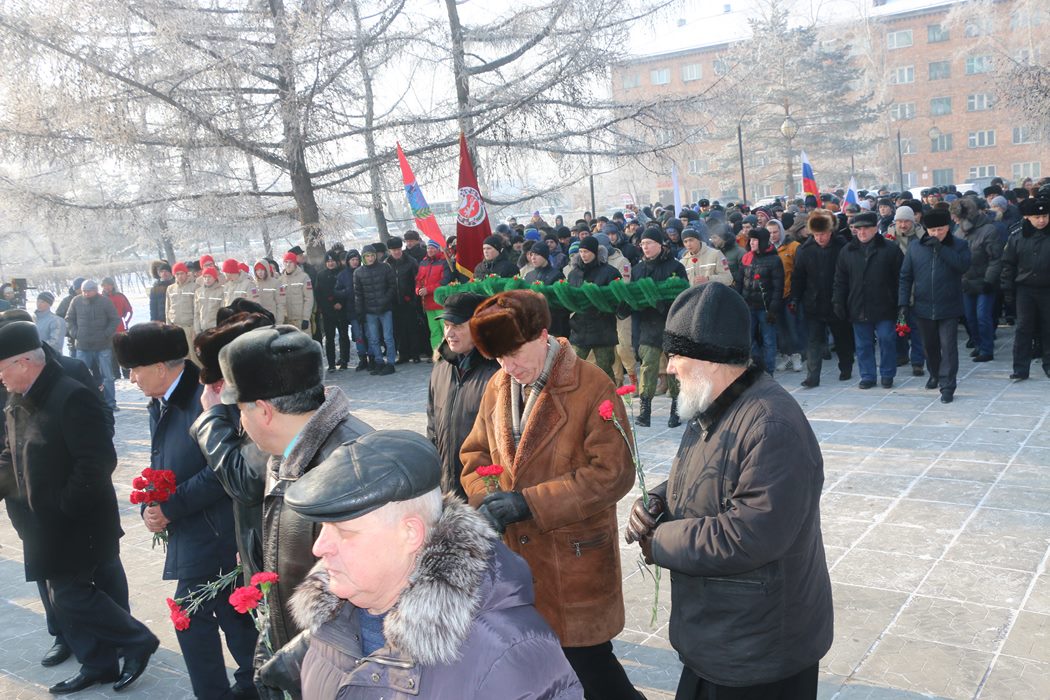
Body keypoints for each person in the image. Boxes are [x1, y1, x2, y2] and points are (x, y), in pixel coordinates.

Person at [255, 430, 583, 699]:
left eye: (344, 532)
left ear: (410, 533)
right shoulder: (332, 612)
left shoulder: (507, 655)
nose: (319, 547)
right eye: (324, 528)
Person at [624, 282, 833, 700]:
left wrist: (659, 540)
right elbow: (710, 477)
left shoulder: (771, 425)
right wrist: (660, 500)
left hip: (759, 649)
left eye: (676, 356)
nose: (669, 368)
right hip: (722, 635)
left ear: (709, 359)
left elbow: (749, 534)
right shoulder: (715, 405)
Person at [459, 290, 642, 700]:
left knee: (594, 671)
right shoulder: (498, 386)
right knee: (538, 674)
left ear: (543, 335)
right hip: (516, 565)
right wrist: (487, 501)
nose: (508, 366)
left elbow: (613, 473)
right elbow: (474, 455)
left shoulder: (591, 385)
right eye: (498, 357)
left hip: (574, 562)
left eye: (514, 353)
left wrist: (531, 503)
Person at [0, 321, 159, 694]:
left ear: (23, 363)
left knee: (70, 595)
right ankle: (98, 665)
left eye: (2, 368)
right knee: (63, 596)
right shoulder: (18, 398)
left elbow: (97, 461)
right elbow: (11, 454)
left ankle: (137, 640)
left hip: (76, 520)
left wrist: (64, 507)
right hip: (41, 520)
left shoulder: (70, 395)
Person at [216, 325, 373, 677]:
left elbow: (364, 604)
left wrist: (295, 665)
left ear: (263, 411)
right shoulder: (286, 455)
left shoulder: (349, 469)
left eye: (240, 410)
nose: (240, 420)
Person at [114, 322, 259, 699]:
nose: (132, 379)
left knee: (193, 615)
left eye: (135, 370)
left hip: (220, 528)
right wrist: (151, 503)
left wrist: (170, 507)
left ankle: (231, 689)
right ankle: (253, 685)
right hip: (194, 526)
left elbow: (223, 469)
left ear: (160, 367)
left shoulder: (205, 398)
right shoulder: (163, 399)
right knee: (232, 615)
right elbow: (163, 460)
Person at [190, 312, 276, 582]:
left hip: (276, 555)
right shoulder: (245, 403)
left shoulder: (263, 408)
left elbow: (246, 481)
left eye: (218, 381)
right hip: (263, 545)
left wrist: (212, 419)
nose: (211, 388)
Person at [427, 292, 499, 500]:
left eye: (457, 326)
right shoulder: (440, 368)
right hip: (447, 488)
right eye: (446, 325)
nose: (449, 333)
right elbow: (432, 427)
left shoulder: (497, 372)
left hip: (484, 489)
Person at [898, 208, 971, 403]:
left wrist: (941, 248)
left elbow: (963, 265)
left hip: (949, 306)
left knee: (948, 347)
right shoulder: (916, 247)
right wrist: (903, 302)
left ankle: (948, 386)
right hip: (923, 306)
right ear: (926, 229)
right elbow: (905, 276)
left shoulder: (959, 245)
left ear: (948, 227)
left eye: (940, 229)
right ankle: (935, 374)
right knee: (929, 346)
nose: (936, 234)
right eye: (932, 230)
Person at [833, 211, 904, 389]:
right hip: (858, 304)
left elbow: (901, 278)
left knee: (887, 339)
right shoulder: (847, 251)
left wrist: (901, 302)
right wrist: (838, 301)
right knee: (863, 344)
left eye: (866, 228)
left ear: (875, 228)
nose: (862, 232)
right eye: (858, 229)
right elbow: (840, 280)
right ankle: (867, 375)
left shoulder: (890, 249)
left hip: (885, 304)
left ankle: (887, 373)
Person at [791, 210, 854, 387]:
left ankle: (846, 367)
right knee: (814, 341)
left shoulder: (842, 247)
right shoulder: (805, 250)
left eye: (823, 234)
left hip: (837, 301)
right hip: (814, 302)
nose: (820, 238)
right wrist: (795, 298)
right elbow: (798, 277)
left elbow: (850, 275)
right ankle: (813, 376)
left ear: (830, 232)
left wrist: (846, 299)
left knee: (842, 338)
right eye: (817, 234)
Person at [632, 229, 688, 427]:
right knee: (648, 366)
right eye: (642, 243)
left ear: (660, 244)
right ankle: (644, 410)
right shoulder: (638, 270)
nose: (645, 247)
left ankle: (676, 409)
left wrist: (665, 305)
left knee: (674, 367)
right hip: (648, 325)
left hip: (671, 324)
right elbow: (633, 298)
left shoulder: (675, 267)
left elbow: (683, 296)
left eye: (649, 242)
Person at [1001, 198, 1050, 380]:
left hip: (1047, 289)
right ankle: (1020, 368)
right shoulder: (1017, 236)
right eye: (1037, 217)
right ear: (1028, 217)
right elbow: (1008, 265)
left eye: (1045, 216)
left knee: (1048, 327)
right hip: (1025, 290)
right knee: (1023, 328)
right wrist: (1007, 290)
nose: (1042, 220)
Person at [950, 197, 1002, 363]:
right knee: (970, 317)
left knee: (982, 316)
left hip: (985, 281)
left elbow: (995, 259)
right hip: (966, 281)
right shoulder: (958, 232)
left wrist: (989, 280)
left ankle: (987, 349)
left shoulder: (989, 230)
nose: (953, 220)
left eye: (956, 217)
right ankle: (978, 344)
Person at [567, 236, 621, 380]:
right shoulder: (574, 274)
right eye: (581, 252)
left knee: (605, 368)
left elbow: (617, 299)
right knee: (572, 366)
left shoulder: (610, 272)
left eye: (586, 252)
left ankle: (610, 393)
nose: (583, 255)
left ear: (595, 252)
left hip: (603, 328)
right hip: (580, 328)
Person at [735, 225, 783, 377]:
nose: (752, 243)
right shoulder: (746, 257)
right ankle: (758, 363)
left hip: (765, 308)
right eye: (751, 240)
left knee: (769, 340)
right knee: (747, 339)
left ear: (762, 241)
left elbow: (778, 287)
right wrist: (738, 301)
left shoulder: (774, 260)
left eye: (755, 240)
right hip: (748, 305)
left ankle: (768, 372)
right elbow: (739, 282)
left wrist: (773, 309)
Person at [66, 279, 120, 411]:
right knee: (80, 376)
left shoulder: (105, 301)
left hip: (103, 345)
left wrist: (106, 334)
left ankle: (110, 403)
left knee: (107, 376)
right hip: (83, 346)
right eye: (84, 291)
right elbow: (69, 319)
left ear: (95, 290)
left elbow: (115, 319)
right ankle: (84, 403)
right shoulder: (76, 301)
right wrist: (75, 333)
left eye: (89, 291)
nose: (86, 294)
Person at [354, 244, 398, 375]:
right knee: (373, 338)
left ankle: (390, 363)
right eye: (367, 256)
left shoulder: (385, 267)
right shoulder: (358, 272)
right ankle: (379, 362)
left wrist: (385, 300)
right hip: (370, 311)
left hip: (385, 308)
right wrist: (359, 312)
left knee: (388, 337)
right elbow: (358, 294)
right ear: (363, 257)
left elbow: (392, 286)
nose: (370, 258)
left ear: (375, 256)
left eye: (372, 255)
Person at [385, 237, 424, 363]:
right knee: (399, 329)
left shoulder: (410, 261)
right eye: (393, 250)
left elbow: (417, 280)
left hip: (409, 300)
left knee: (412, 328)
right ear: (390, 251)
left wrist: (413, 298)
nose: (396, 252)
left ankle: (415, 354)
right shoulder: (386, 264)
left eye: (398, 249)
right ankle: (403, 354)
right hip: (394, 302)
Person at [315, 251, 350, 372]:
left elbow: (347, 290)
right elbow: (319, 294)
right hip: (328, 312)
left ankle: (344, 361)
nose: (330, 263)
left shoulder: (343, 273)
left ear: (337, 262)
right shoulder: (321, 275)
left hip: (341, 310)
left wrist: (341, 303)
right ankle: (331, 364)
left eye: (332, 261)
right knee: (329, 338)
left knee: (343, 336)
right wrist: (327, 307)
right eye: (328, 261)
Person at [415, 240, 450, 354]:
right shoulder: (423, 262)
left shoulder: (444, 262)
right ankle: (437, 354)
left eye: (433, 248)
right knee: (434, 331)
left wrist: (428, 290)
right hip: (428, 304)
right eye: (428, 248)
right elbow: (418, 280)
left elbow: (444, 281)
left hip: (440, 303)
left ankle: (449, 355)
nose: (430, 250)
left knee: (446, 330)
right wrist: (418, 290)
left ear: (438, 249)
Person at [167, 262, 200, 359]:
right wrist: (168, 326)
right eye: (177, 274)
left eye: (182, 273)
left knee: (194, 357)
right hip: (176, 327)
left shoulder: (195, 287)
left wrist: (196, 329)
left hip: (190, 327)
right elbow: (168, 308)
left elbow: (197, 310)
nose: (180, 276)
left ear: (186, 273)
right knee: (181, 357)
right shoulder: (170, 289)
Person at [281, 252, 315, 331]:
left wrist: (306, 318)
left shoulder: (304, 277)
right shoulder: (281, 280)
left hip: (301, 320)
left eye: (290, 262)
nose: (288, 265)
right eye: (286, 262)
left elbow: (309, 298)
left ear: (295, 263)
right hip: (287, 321)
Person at [194, 267, 227, 335]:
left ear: (215, 278)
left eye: (209, 276)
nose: (207, 279)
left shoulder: (222, 291)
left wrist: (220, 329)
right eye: (205, 277)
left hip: (216, 329)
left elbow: (223, 313)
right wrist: (197, 330)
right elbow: (196, 313)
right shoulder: (198, 292)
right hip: (202, 329)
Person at [254, 260, 286, 325]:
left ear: (267, 270)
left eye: (262, 270)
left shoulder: (276, 283)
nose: (260, 272)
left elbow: (280, 304)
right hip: (258, 321)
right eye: (257, 270)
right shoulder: (253, 284)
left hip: (272, 319)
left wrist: (279, 322)